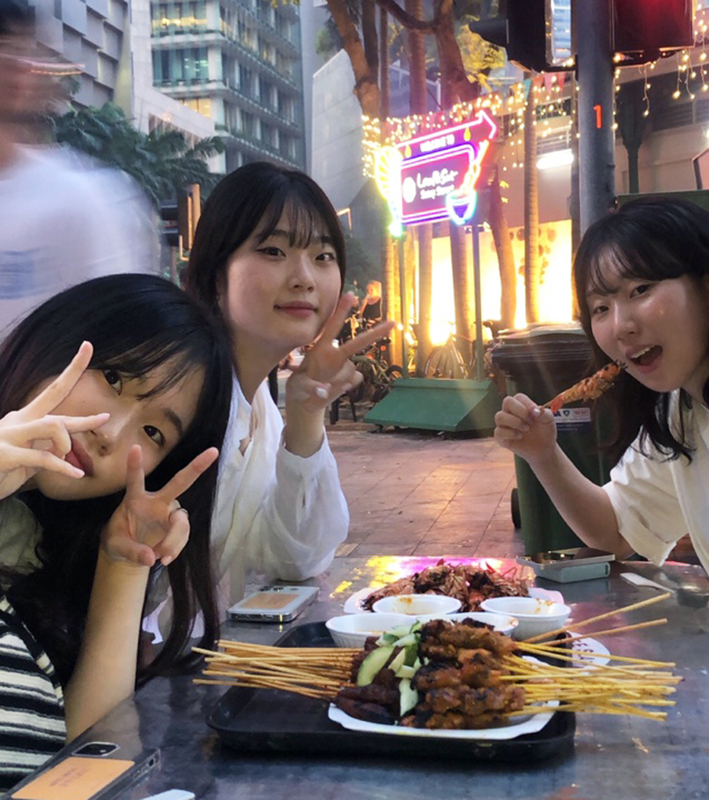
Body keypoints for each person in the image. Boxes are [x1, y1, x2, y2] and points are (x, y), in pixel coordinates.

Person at [494, 198, 709, 718]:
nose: (620, 325)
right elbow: (616, 530)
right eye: (600, 307)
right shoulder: (680, 412)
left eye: (640, 290)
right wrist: (542, 454)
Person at [0, 274, 232, 788]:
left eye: (153, 432)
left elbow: (84, 765)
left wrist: (123, 564)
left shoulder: (49, 557)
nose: (109, 432)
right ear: (57, 337)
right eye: (113, 377)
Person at [183, 162, 394, 613]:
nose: (304, 278)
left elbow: (295, 559)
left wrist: (305, 419)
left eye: (323, 256)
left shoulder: (259, 406)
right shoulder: (179, 392)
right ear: (217, 273)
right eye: (274, 251)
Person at [0, 0, 158, 339]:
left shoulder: (83, 200)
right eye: (8, 50)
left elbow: (121, 334)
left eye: (23, 51)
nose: (21, 66)